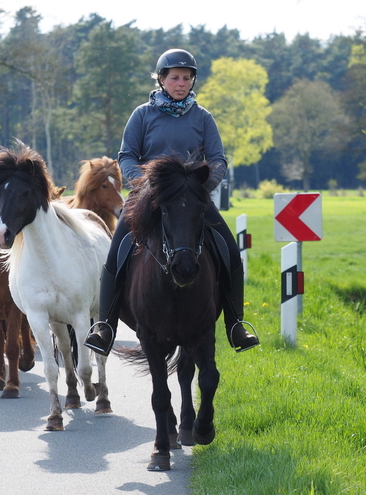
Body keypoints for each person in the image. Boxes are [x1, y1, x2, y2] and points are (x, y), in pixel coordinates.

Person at [84, 48, 259, 356]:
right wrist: (145, 185)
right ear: (162, 79)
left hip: (192, 200)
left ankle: (236, 324)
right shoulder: (142, 115)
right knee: (116, 253)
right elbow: (127, 156)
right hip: (148, 199)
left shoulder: (203, 118)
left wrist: (201, 186)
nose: (181, 83)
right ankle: (105, 326)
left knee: (230, 251)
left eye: (187, 78)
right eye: (175, 78)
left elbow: (217, 159)